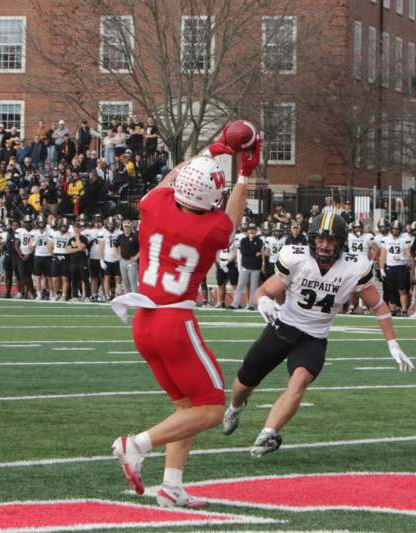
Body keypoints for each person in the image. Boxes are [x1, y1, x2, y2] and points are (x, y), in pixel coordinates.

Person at [109, 128, 260, 508]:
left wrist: (209, 150)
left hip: (143, 319)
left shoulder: (155, 205)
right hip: (174, 322)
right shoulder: (210, 229)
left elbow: (171, 178)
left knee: (188, 409)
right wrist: (245, 173)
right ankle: (136, 445)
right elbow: (232, 219)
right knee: (211, 407)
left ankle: (172, 487)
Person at [221, 212, 413, 457]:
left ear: (341, 243)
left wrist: (392, 343)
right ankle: (236, 407)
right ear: (312, 239)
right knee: (244, 382)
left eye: (331, 240)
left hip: (314, 336)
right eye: (320, 239)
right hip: (283, 327)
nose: (324, 245)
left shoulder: (355, 266)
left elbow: (379, 307)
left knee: (299, 381)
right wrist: (263, 302)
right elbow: (264, 290)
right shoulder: (295, 258)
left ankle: (269, 432)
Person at [379, 220, 410, 316]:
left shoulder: (404, 239)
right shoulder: (386, 239)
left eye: (396, 229)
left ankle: (404, 310)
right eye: (393, 229)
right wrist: (381, 269)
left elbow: (409, 254)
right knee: (390, 289)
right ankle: (393, 309)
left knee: (402, 289)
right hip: (390, 267)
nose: (395, 230)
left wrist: (403, 258)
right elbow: (383, 255)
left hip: (401, 267)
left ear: (400, 229)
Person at [230, 223, 264, 310]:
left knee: (254, 287)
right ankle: (235, 304)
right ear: (247, 231)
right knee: (240, 286)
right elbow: (244, 251)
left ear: (256, 231)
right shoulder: (243, 240)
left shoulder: (260, 241)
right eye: (250, 229)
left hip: (256, 267)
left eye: (253, 230)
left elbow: (258, 250)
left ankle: (252, 305)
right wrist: (255, 251)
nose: (252, 231)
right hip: (245, 266)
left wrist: (255, 250)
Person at [117, 220, 140, 295]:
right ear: (123, 227)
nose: (126, 228)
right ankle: (128, 299)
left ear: (131, 227)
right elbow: (116, 245)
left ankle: (135, 299)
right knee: (125, 281)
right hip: (122, 261)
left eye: (128, 226)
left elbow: (142, 247)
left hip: (131, 261)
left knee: (132, 281)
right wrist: (118, 255)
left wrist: (136, 256)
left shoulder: (135, 236)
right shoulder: (120, 236)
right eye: (125, 226)